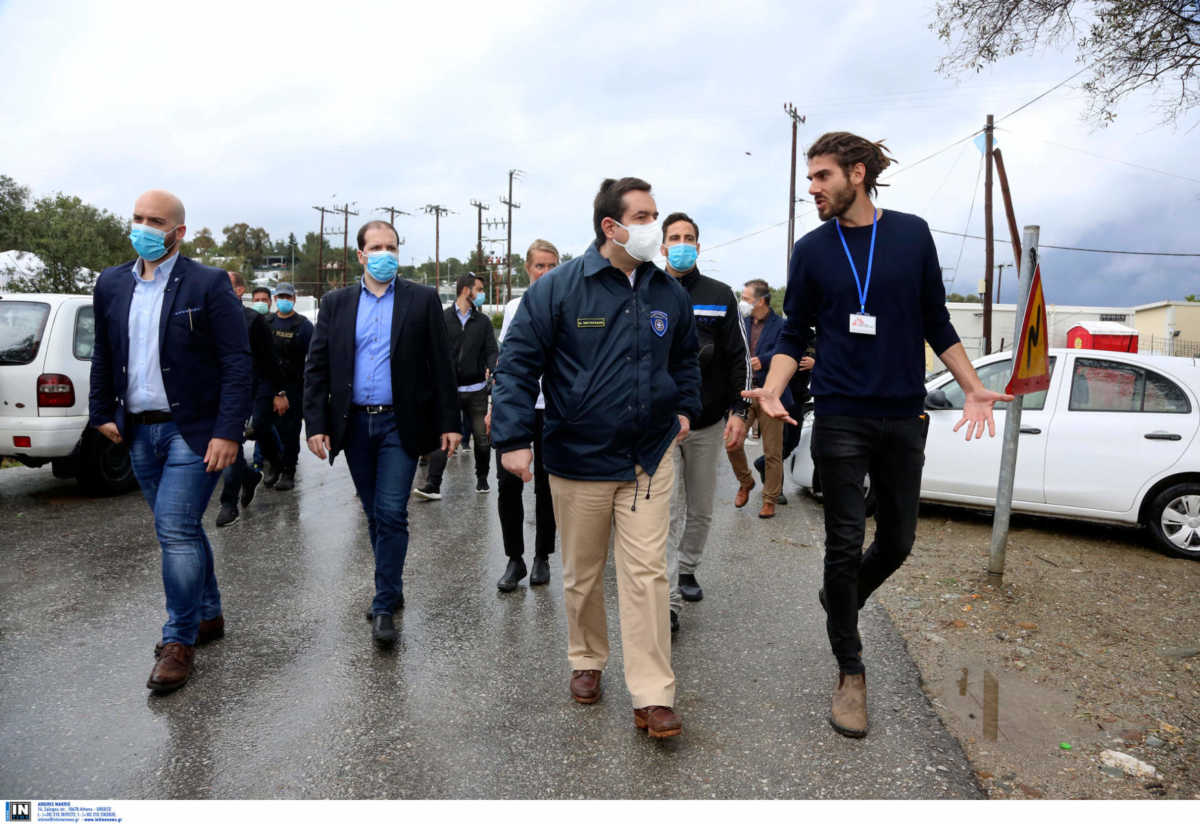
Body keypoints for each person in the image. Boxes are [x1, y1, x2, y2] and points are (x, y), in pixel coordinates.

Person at [745, 131, 1009, 739]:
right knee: (842, 544)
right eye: (809, 178)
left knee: (897, 542)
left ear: (857, 174)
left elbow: (936, 318)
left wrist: (970, 384)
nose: (811, 188)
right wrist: (773, 389)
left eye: (821, 177)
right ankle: (851, 672)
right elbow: (794, 334)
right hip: (839, 412)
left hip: (902, 412)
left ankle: (840, 599)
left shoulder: (912, 234)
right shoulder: (810, 250)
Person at [491, 177, 701, 738]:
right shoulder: (559, 289)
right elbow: (515, 367)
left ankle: (652, 694)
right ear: (611, 227)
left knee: (647, 576)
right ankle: (586, 658)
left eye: (655, 215)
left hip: (649, 458)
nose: (654, 228)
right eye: (644, 216)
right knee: (583, 574)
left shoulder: (666, 292)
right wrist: (512, 439)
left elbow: (686, 360)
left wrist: (684, 410)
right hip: (578, 458)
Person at [88, 189, 251, 693]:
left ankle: (177, 641)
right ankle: (209, 614)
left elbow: (236, 361)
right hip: (139, 428)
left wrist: (228, 432)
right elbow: (103, 351)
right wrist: (101, 411)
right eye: (137, 217)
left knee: (175, 529)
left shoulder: (206, 284)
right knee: (178, 529)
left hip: (193, 431)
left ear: (178, 231)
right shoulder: (112, 283)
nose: (143, 227)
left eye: (154, 220)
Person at [303, 220, 460, 647]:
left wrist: (450, 422)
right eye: (376, 246)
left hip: (399, 424)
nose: (385, 253)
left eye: (391, 246)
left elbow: (441, 365)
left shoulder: (421, 299)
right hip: (354, 426)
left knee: (392, 512)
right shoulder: (335, 303)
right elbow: (317, 367)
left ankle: (384, 601)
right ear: (360, 254)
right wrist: (315, 424)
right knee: (375, 514)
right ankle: (390, 582)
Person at [658, 213, 749, 633]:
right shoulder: (646, 289)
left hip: (707, 422)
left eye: (689, 238)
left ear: (699, 246)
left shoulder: (719, 294)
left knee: (700, 505)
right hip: (659, 424)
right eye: (674, 237)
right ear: (661, 246)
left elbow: (737, 357)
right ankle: (669, 599)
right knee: (667, 509)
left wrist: (740, 410)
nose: (681, 243)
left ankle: (688, 567)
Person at [493, 239, 560, 592]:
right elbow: (507, 364)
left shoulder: (567, 304)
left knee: (548, 487)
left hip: (553, 411)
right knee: (509, 486)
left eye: (552, 266)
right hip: (519, 410)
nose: (546, 273)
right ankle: (514, 558)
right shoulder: (516, 307)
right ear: (528, 269)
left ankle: (542, 557)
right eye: (540, 267)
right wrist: (496, 409)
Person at [414, 273, 498, 499]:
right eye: (478, 289)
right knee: (442, 436)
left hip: (477, 390)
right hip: (448, 391)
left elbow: (491, 350)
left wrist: (494, 368)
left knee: (481, 438)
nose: (481, 294)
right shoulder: (442, 319)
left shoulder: (483, 322)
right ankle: (433, 484)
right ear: (465, 290)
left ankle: (481, 478)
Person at [215, 271, 288, 527]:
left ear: (237, 290)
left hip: (255, 386)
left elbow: (269, 360)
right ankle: (249, 476)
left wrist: (279, 393)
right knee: (231, 438)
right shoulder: (209, 317)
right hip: (222, 389)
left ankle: (228, 502)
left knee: (251, 430)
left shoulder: (253, 320)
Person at [726, 280, 789, 519]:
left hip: (770, 393)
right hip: (743, 392)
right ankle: (746, 481)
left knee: (773, 451)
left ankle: (770, 498)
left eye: (746, 297)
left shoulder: (781, 325)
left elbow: (788, 351)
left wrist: (764, 359)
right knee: (731, 442)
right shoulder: (739, 323)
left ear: (761, 300)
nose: (742, 302)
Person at [264, 282, 312, 492]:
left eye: (287, 296)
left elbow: (315, 356)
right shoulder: (266, 322)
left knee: (290, 431)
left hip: (293, 385)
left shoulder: (303, 325)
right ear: (275, 299)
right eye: (280, 296)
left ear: (293, 299)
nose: (283, 300)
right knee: (264, 428)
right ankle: (274, 464)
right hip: (268, 384)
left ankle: (288, 471)